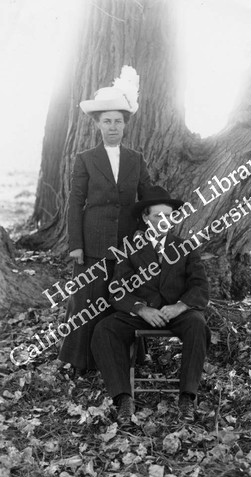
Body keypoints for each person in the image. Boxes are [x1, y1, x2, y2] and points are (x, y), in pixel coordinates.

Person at [59, 66, 152, 374]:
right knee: (86, 301)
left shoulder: (135, 160)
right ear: (97, 125)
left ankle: (126, 359)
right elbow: (75, 202)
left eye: (118, 122)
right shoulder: (85, 159)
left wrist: (142, 231)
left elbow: (148, 199)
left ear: (125, 125)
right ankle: (79, 361)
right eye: (107, 121)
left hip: (126, 244)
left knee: (123, 298)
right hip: (93, 241)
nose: (113, 127)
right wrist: (76, 244)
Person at [91, 186, 210, 424]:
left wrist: (180, 306)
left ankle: (187, 396)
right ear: (146, 218)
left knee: (198, 325)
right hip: (141, 313)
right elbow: (117, 288)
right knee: (104, 329)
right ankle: (123, 397)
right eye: (158, 216)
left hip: (175, 313)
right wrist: (140, 308)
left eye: (169, 216)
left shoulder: (185, 246)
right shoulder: (130, 247)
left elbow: (201, 287)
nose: (164, 221)